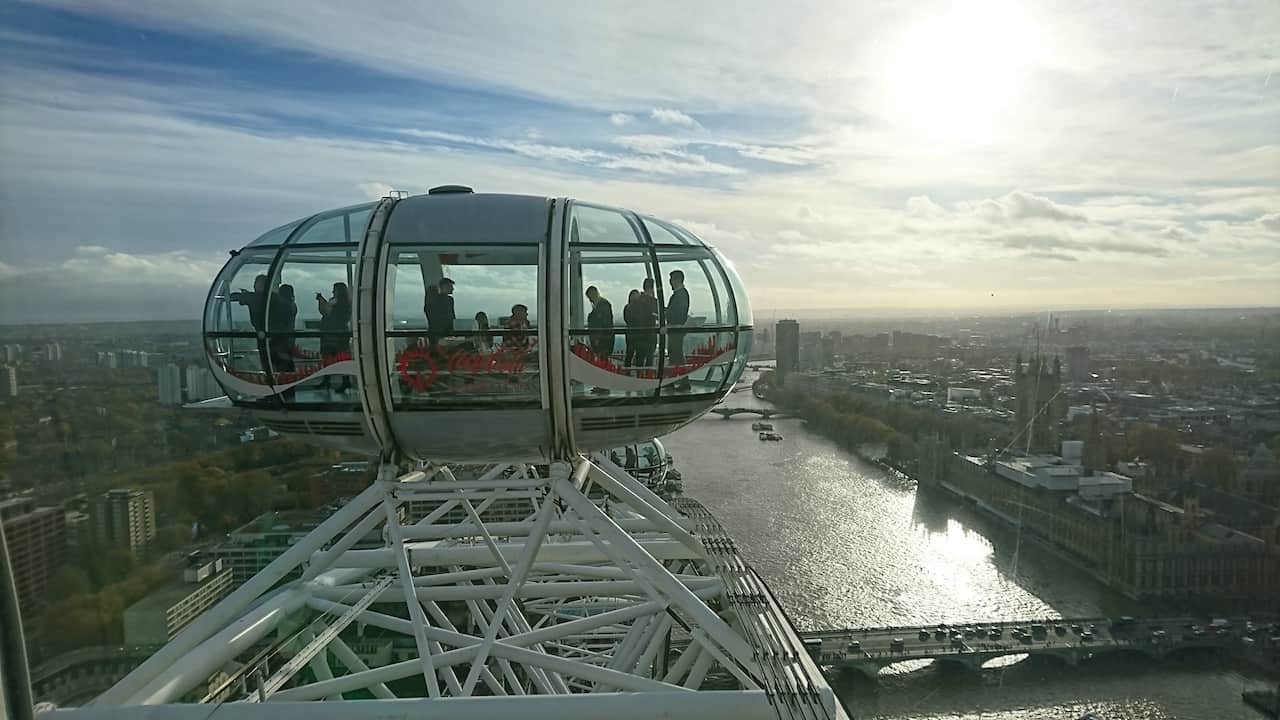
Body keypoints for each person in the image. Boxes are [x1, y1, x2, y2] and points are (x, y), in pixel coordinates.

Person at [267, 283, 297, 373]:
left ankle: (285, 379)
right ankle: (290, 378)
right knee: (286, 362)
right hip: (289, 338)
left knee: (282, 364)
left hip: (281, 339)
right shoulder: (292, 305)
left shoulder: (284, 305)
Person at [633, 278, 659, 367]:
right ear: (652, 288)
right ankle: (648, 375)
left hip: (639, 336)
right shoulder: (654, 302)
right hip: (650, 336)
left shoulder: (637, 301)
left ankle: (639, 375)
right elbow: (659, 315)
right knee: (649, 361)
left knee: (639, 361)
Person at [666, 270, 690, 366]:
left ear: (677, 280)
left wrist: (667, 313)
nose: (670, 282)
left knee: (676, 356)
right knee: (675, 355)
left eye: (671, 280)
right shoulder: (680, 294)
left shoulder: (680, 295)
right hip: (675, 330)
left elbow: (679, 313)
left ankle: (679, 374)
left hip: (676, 330)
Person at [585, 286, 615, 361]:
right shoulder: (602, 305)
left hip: (602, 340)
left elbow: (603, 323)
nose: (590, 300)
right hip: (603, 338)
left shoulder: (603, 305)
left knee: (601, 359)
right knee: (602, 360)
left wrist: (597, 337)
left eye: (590, 297)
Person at [424, 278, 456, 348]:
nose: (453, 289)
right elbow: (451, 316)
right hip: (440, 333)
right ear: (445, 287)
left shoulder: (448, 300)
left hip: (438, 332)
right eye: (451, 286)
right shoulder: (447, 300)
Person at [623, 289, 642, 365]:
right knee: (637, 355)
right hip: (637, 335)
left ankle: (627, 369)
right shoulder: (639, 308)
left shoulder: (627, 307)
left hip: (630, 334)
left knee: (630, 354)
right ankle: (638, 370)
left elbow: (626, 319)